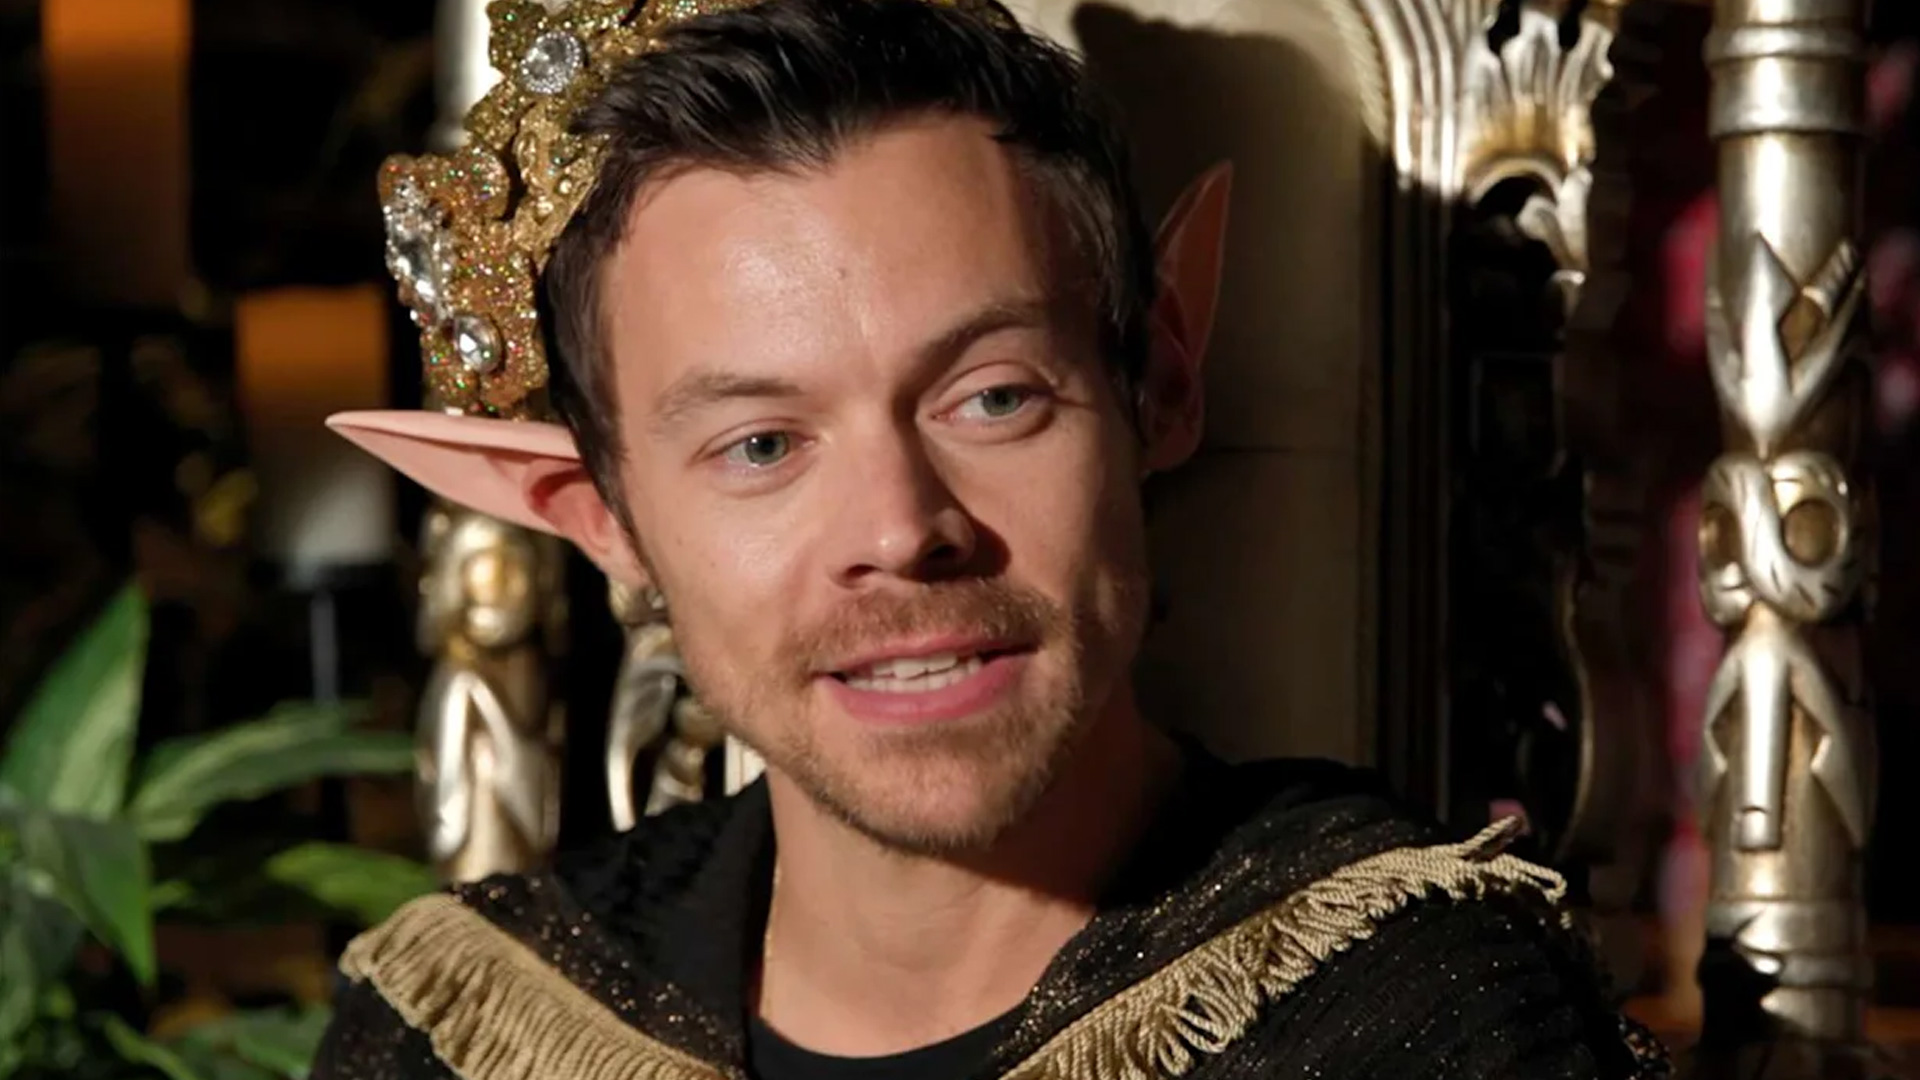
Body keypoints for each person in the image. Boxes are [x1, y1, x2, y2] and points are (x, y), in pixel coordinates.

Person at [314, 0, 1667, 1077]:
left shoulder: (1419, 1017)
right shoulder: (466, 1027)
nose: (903, 531)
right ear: (602, 523)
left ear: (1160, 389)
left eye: (994, 397)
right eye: (763, 446)